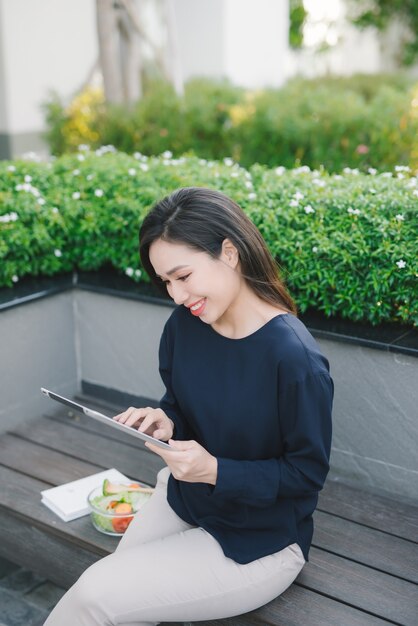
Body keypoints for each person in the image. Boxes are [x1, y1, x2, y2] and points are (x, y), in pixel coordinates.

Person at [44, 186, 333, 625]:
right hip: (184, 499)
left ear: (230, 253)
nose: (177, 296)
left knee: (95, 595)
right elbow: (181, 407)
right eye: (166, 282)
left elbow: (306, 473)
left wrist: (215, 470)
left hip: (259, 539)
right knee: (106, 598)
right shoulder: (185, 325)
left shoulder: (294, 358)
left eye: (183, 276)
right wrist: (164, 421)